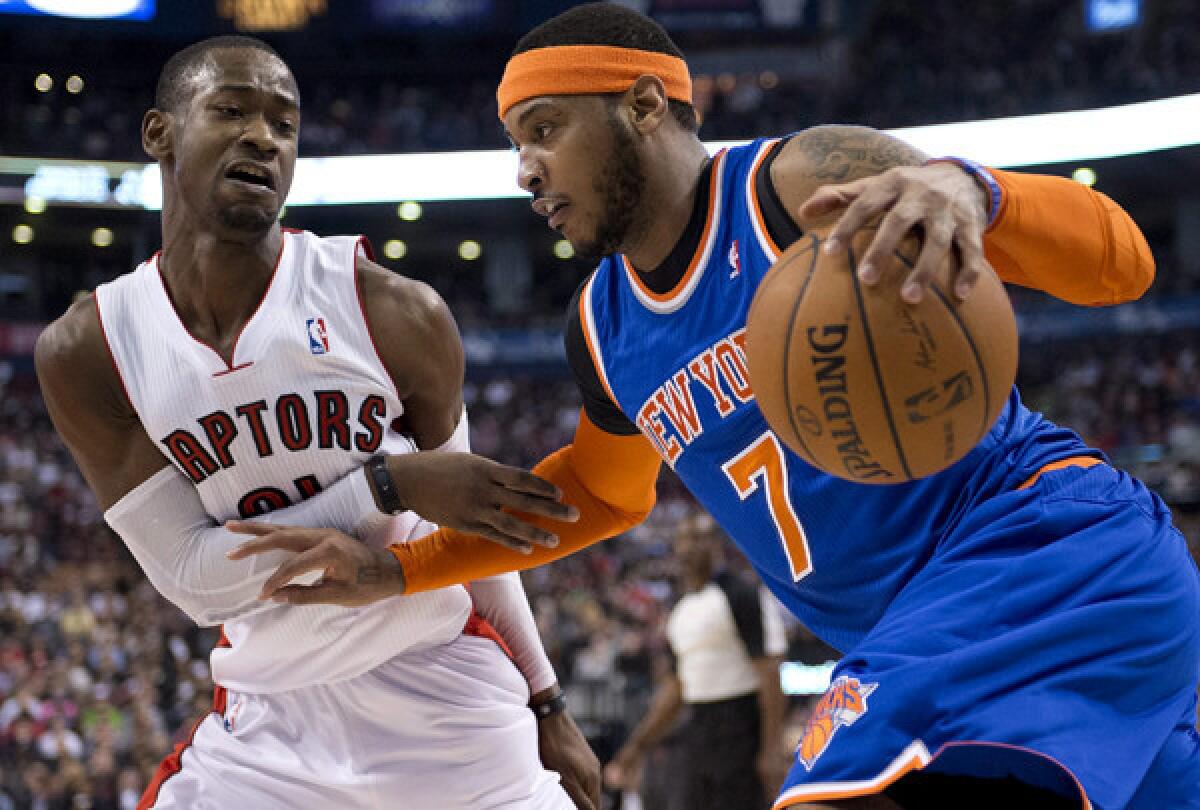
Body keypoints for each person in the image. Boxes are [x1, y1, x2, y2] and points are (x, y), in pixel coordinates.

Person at [229, 4, 1200, 808]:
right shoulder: (604, 330)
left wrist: (972, 192)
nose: (523, 171)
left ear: (645, 105)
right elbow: (602, 499)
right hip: (941, 632)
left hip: (1045, 557)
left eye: (543, 131)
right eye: (514, 144)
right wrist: (394, 570)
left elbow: (1126, 262)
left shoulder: (796, 186)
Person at [35, 35, 599, 810]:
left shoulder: (393, 310)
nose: (262, 137)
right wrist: (386, 483)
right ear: (159, 133)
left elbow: (478, 537)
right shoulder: (90, 349)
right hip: (269, 722)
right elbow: (198, 585)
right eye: (232, 110)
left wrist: (547, 701)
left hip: (443, 691)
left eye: (284, 124)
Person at [604, 513, 790, 809]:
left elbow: (770, 674)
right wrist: (635, 747)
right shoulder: (681, 608)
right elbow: (676, 688)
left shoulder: (740, 593)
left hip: (742, 724)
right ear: (676, 546)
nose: (692, 547)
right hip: (696, 726)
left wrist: (771, 749)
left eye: (700, 538)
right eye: (686, 539)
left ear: (716, 545)